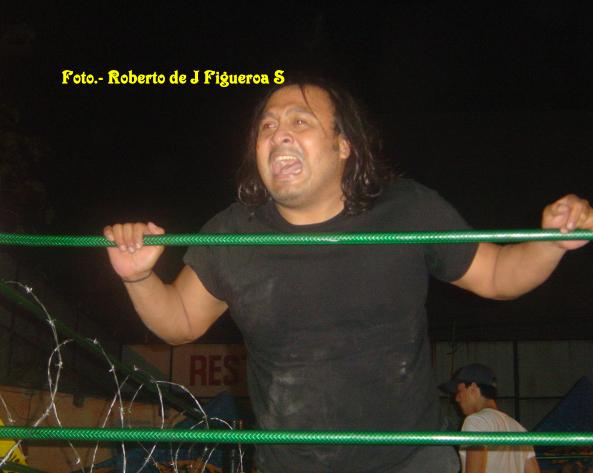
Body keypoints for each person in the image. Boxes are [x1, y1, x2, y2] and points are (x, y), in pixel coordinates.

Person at [103, 77, 593, 473]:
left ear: (343, 146)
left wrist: (550, 243)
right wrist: (138, 278)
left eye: (300, 121)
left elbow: (497, 275)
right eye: (267, 126)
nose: (278, 134)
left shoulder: (406, 210)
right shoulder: (232, 233)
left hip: (411, 463)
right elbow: (180, 321)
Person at [440, 363, 541, 473]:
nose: (457, 399)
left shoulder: (475, 421)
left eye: (459, 391)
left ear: (473, 388)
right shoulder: (519, 429)